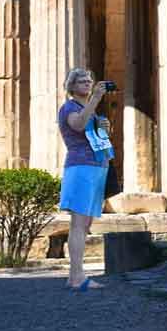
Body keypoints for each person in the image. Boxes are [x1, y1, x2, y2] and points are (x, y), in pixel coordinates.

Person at [58, 68, 113, 291]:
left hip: (95, 167)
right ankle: (77, 277)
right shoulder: (69, 107)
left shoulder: (87, 108)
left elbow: (95, 137)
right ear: (71, 86)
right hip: (81, 167)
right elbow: (78, 125)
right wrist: (97, 98)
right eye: (81, 80)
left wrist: (105, 128)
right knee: (79, 224)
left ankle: (75, 276)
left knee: (85, 224)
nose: (87, 83)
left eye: (89, 80)